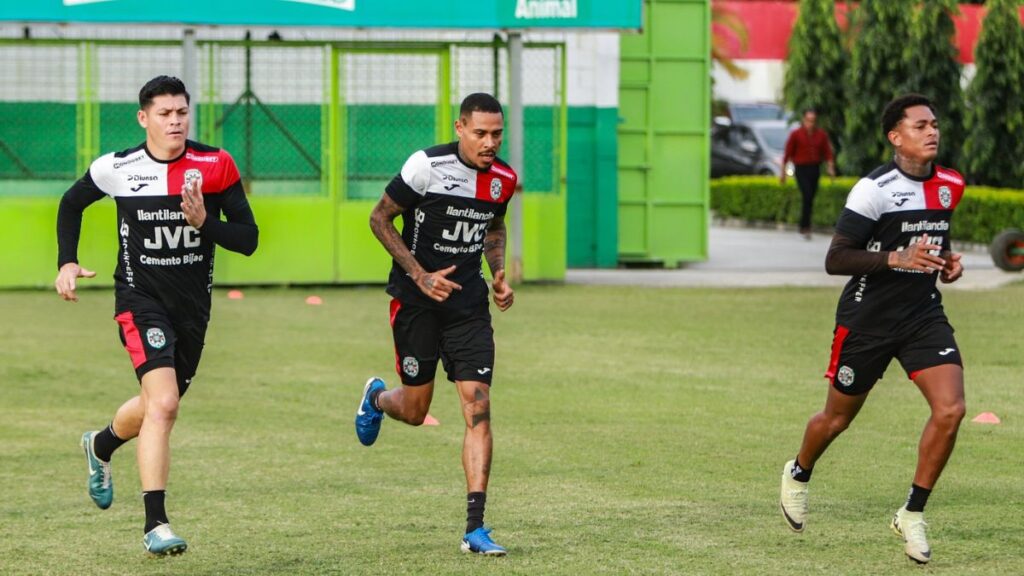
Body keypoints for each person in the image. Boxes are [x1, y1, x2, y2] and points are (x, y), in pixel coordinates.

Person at [55, 76, 258, 556]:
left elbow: (248, 239)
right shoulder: (118, 167)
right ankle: (156, 523)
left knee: (155, 405)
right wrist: (66, 260)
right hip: (139, 300)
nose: (175, 122)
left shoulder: (215, 164)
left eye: (182, 112)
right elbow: (71, 203)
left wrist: (205, 223)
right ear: (144, 118)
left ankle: (100, 446)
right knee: (165, 404)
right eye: (165, 114)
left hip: (193, 309)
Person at [779, 94, 965, 565]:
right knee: (836, 419)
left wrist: (946, 263)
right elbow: (835, 258)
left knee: (951, 410)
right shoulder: (873, 189)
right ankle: (799, 473)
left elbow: (934, 239)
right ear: (895, 137)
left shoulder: (950, 184)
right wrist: (894, 258)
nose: (932, 131)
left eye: (934, 123)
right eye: (920, 125)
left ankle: (912, 513)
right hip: (866, 320)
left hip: (922, 315)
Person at [355, 92, 517, 556]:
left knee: (477, 407)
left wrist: (498, 273)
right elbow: (380, 218)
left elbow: (493, 226)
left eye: (497, 134)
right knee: (412, 408)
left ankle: (475, 528)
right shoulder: (425, 166)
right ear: (461, 127)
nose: (490, 143)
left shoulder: (502, 178)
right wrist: (419, 274)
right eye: (481, 133)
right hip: (415, 303)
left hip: (467, 308)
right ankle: (377, 397)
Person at [780, 109, 836, 239]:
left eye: (813, 121)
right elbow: (787, 154)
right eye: (808, 120)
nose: (811, 123)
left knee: (810, 197)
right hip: (801, 168)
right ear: (803, 120)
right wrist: (783, 173)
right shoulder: (796, 134)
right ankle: (804, 227)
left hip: (814, 168)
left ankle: (806, 225)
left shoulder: (821, 135)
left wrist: (830, 167)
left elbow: (827, 152)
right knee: (807, 195)